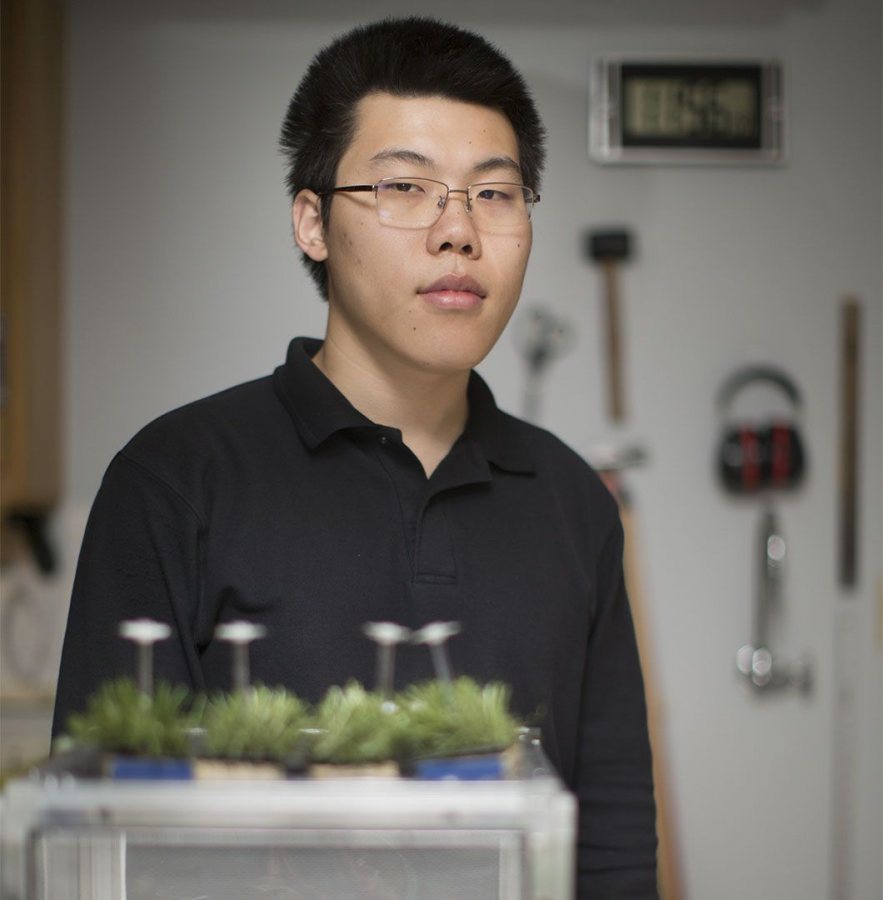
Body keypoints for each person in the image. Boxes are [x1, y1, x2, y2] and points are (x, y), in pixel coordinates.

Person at [54, 16, 658, 897]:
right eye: (406, 187)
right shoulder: (175, 480)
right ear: (312, 222)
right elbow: (95, 837)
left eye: (493, 193)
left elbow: (608, 840)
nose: (458, 232)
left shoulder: (572, 502)